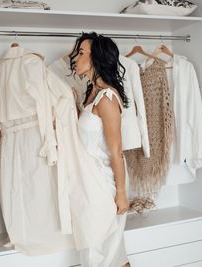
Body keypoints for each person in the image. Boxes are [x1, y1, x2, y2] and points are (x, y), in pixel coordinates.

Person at [69, 32, 131, 267]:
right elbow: (86, 138)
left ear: (97, 59)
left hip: (105, 186)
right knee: (101, 255)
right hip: (89, 185)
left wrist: (122, 193)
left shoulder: (106, 98)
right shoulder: (92, 95)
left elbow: (116, 151)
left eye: (82, 53)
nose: (76, 57)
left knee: (107, 256)